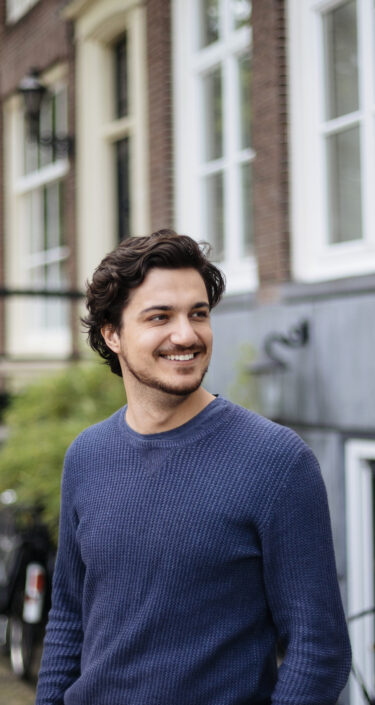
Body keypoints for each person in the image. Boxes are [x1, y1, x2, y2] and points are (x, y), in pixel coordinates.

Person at [35, 229, 351, 705]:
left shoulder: (277, 462)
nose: (186, 334)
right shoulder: (87, 455)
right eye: (160, 317)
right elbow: (69, 617)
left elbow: (318, 649)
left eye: (198, 314)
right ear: (112, 334)